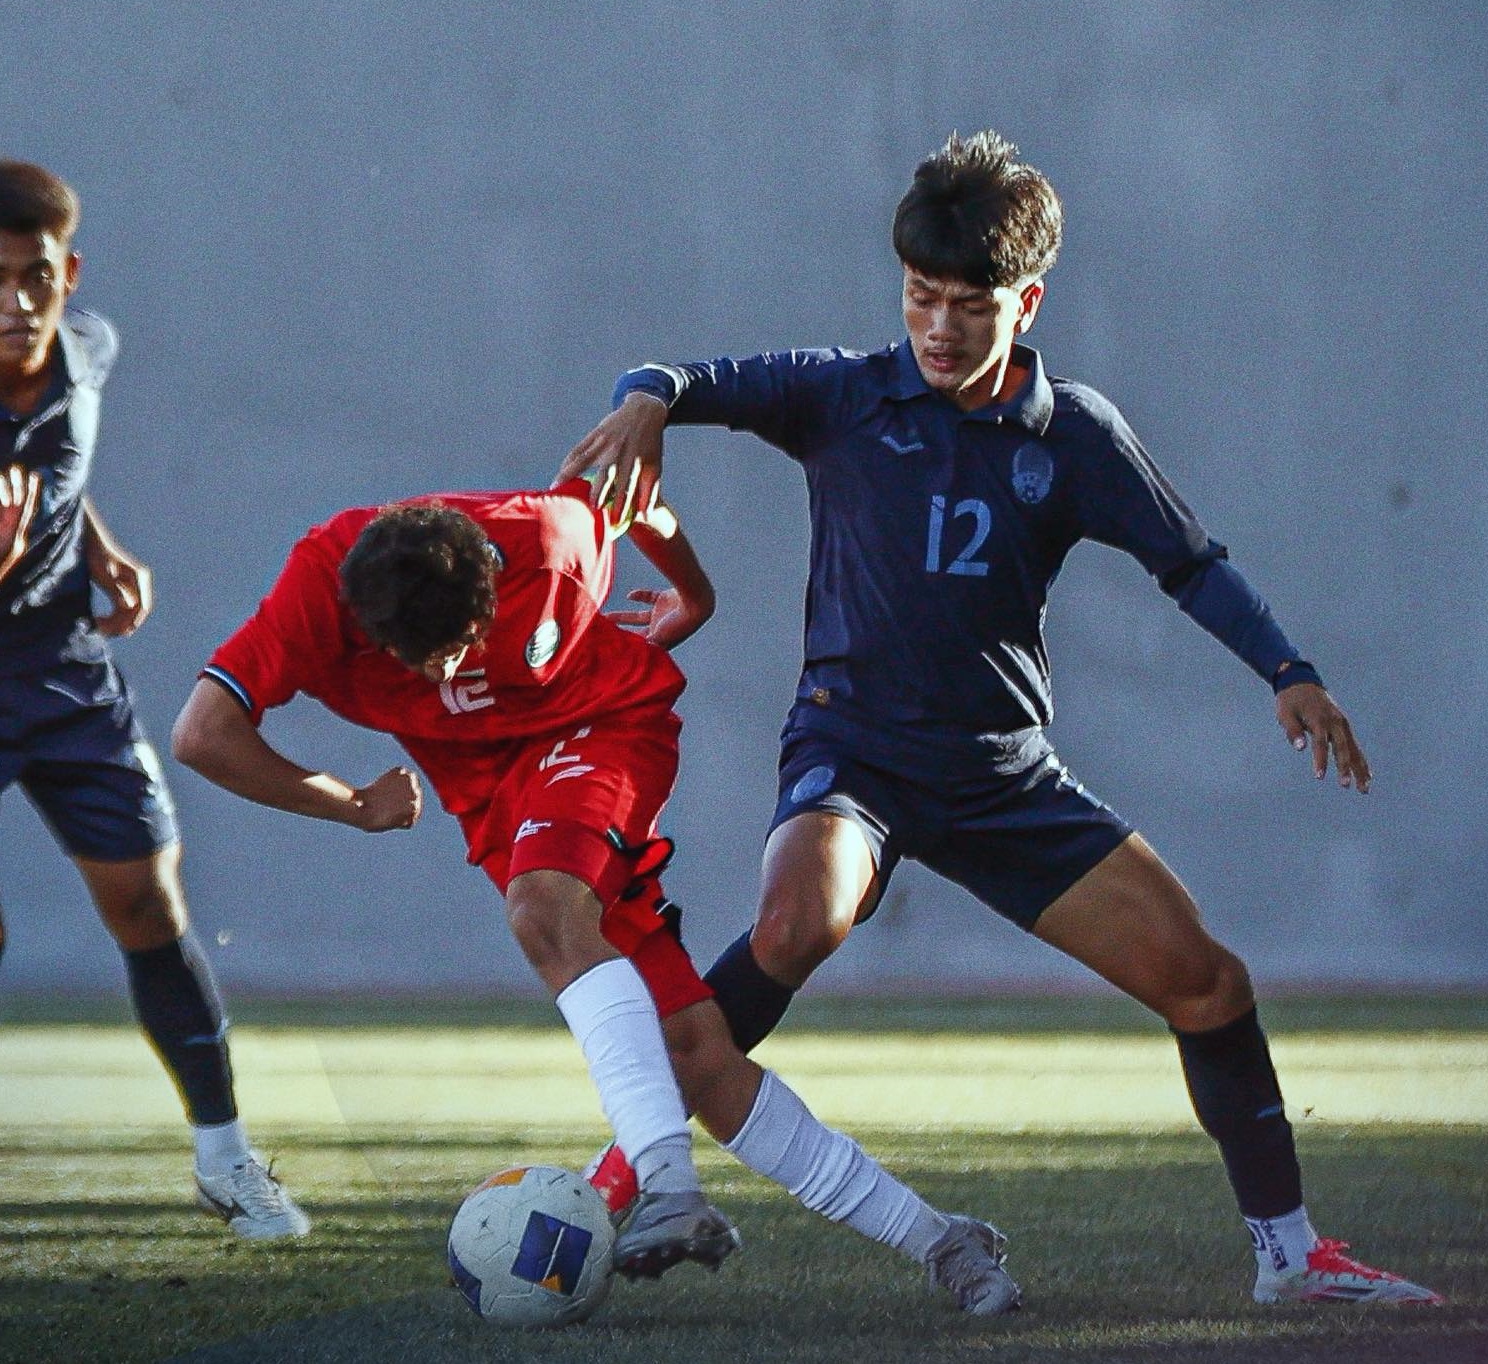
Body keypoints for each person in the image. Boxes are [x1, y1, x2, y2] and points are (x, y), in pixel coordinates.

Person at [557, 130, 1442, 1307]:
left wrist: (1288, 667)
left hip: (1002, 779)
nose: (936, 325)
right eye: (920, 297)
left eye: (966, 305)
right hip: (855, 754)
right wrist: (644, 406)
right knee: (792, 924)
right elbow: (683, 378)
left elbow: (1192, 565)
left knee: (1210, 986)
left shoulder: (1074, 433)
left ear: (1025, 302)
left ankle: (1293, 1256)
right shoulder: (843, 391)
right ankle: (630, 1165)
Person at [171, 483, 1020, 1311]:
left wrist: (694, 595)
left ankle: (668, 1189)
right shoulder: (319, 588)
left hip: (607, 726)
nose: (449, 671)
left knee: (544, 911)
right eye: (421, 659)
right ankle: (943, 1241)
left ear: (494, 585)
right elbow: (203, 734)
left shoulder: (552, 534)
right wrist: (351, 804)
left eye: (463, 643)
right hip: (497, 799)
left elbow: (632, 491)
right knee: (692, 1050)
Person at [0, 161, 307, 1240]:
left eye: (34, 276)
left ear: (67, 272)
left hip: (62, 666)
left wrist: (102, 546)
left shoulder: (88, 349)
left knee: (148, 903)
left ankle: (226, 1160)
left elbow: (55, 473)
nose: (13, 301)